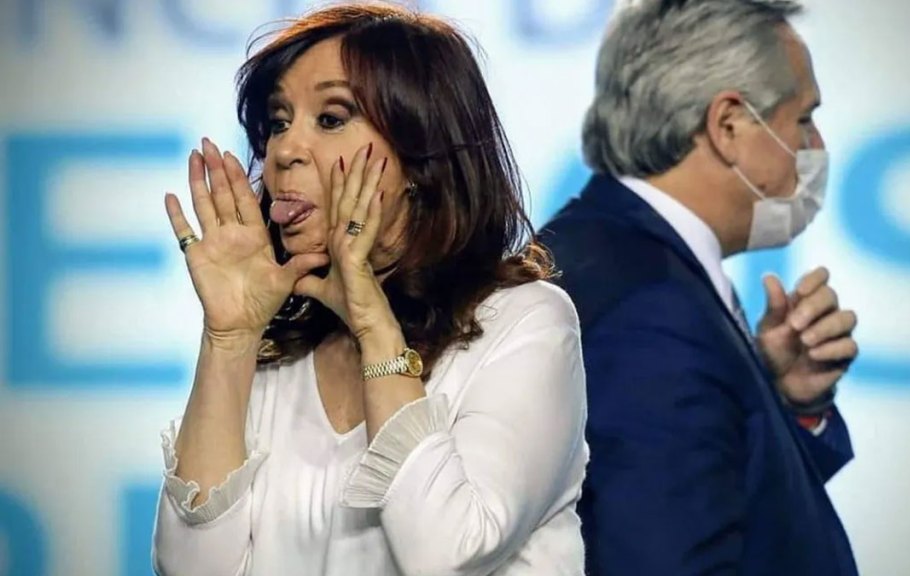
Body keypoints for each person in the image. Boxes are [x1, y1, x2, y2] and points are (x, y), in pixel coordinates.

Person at [152, 5, 588, 575]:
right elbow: (192, 571)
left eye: (330, 119)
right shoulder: (283, 348)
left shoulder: (525, 323)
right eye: (279, 122)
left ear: (419, 155)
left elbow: (448, 556)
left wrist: (371, 323)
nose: (284, 151)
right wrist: (229, 340)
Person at [539, 1, 859, 574]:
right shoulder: (651, 312)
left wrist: (786, 402)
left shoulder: (611, 251)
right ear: (728, 125)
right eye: (804, 118)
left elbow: (719, 499)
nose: (815, 145)